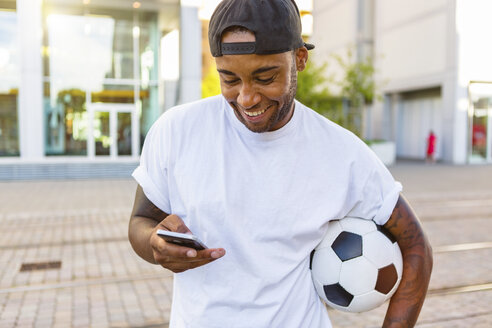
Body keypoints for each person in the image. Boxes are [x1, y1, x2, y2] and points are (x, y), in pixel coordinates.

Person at [128, 0, 433, 327]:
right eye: (230, 79)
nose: (247, 98)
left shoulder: (343, 154)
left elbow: (417, 250)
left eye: (265, 77)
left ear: (299, 59)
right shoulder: (176, 132)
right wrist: (155, 244)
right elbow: (141, 222)